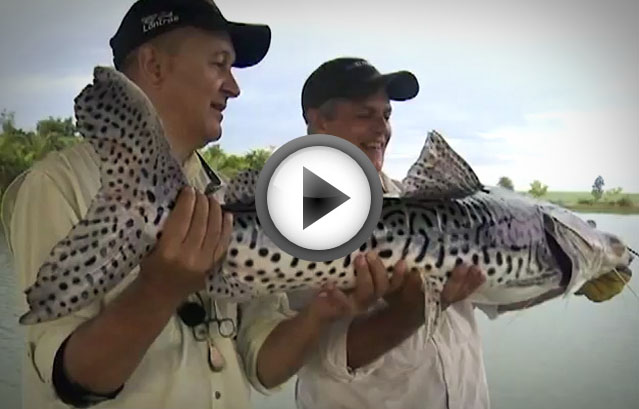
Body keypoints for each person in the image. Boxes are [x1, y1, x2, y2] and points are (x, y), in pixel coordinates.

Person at [0, 1, 363, 408]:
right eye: (219, 64)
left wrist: (322, 313)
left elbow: (263, 366)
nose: (234, 87)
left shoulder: (226, 197)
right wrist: (159, 290)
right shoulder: (57, 185)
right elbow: (70, 380)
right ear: (154, 66)